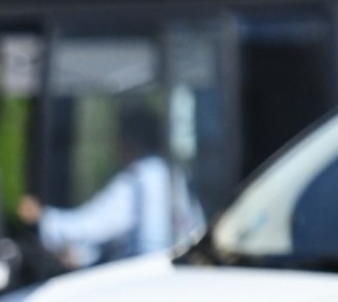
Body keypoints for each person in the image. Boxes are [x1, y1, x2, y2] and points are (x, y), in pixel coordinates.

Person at [17, 101, 204, 269]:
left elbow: (95, 225)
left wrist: (42, 218)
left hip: (146, 278)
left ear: (128, 142)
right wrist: (83, 255)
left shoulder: (142, 177)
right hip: (178, 273)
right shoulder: (175, 174)